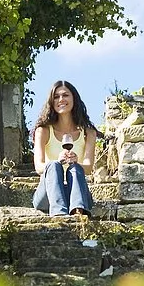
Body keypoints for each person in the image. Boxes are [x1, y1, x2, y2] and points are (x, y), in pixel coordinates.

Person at [32, 80, 96, 217]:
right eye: (56, 97)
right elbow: (38, 167)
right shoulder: (43, 131)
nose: (61, 99)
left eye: (65, 95)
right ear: (51, 101)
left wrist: (76, 161)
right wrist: (58, 162)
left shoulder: (88, 133)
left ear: (74, 98)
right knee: (54, 165)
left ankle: (78, 211)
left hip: (77, 194)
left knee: (76, 168)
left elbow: (89, 168)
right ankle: (59, 215)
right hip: (47, 196)